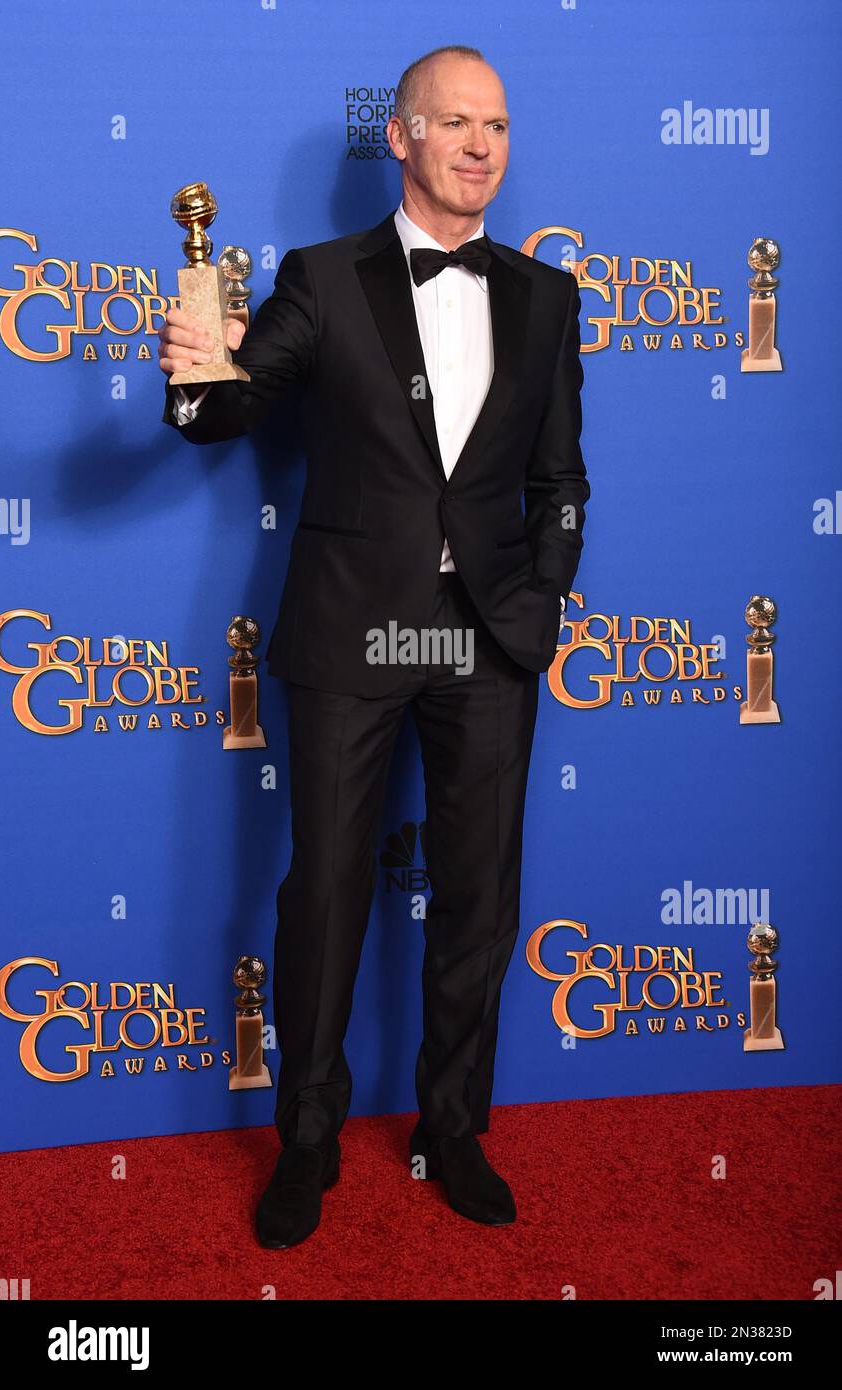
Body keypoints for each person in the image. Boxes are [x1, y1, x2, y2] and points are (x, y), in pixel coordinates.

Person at [158, 44, 589, 1249]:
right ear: (398, 137)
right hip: (352, 628)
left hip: (491, 641)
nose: (477, 145)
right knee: (327, 890)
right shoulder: (325, 278)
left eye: (495, 124)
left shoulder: (547, 298)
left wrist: (542, 602)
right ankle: (306, 1136)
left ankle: (452, 1125)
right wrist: (200, 375)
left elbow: (560, 476)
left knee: (478, 900)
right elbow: (235, 404)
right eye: (452, 122)